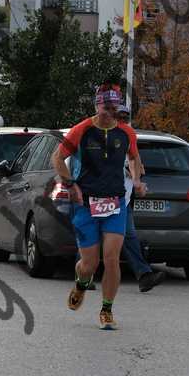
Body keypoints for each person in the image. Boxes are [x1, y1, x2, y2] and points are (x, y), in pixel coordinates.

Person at [52, 83, 143, 331]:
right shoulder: (81, 130)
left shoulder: (126, 133)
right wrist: (70, 184)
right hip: (86, 204)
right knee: (89, 264)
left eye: (113, 109)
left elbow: (134, 157)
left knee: (112, 258)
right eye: (105, 108)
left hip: (115, 204)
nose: (109, 113)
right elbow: (57, 158)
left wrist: (136, 179)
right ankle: (81, 283)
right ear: (97, 106)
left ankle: (106, 310)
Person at [115, 101, 167, 293]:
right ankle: (83, 274)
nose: (122, 121)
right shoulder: (106, 137)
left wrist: (137, 180)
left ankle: (144, 275)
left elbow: (136, 163)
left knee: (129, 236)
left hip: (124, 199)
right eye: (119, 117)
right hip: (105, 197)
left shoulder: (129, 137)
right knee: (95, 235)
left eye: (125, 118)